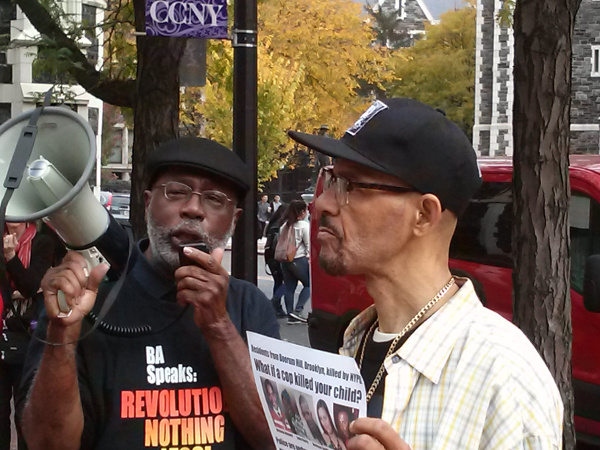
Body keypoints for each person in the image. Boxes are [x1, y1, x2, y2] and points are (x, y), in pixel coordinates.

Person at [288, 98, 563, 449]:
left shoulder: (503, 375)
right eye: (329, 180)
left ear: (423, 215)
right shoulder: (355, 341)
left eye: (350, 186)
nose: (322, 204)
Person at [19, 137, 280, 450]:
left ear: (234, 220)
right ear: (146, 203)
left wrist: (219, 326)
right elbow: (47, 443)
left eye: (214, 199)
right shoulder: (83, 301)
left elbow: (273, 439)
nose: (193, 209)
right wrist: (62, 334)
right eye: (177, 191)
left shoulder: (249, 305)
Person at [0, 221, 57, 450]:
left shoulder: (42, 243)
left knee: (25, 408)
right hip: (3, 329)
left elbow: (29, 286)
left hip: (27, 333)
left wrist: (11, 257)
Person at [279, 200, 310, 324]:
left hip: (284, 260)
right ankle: (298, 311)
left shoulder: (284, 225)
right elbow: (308, 244)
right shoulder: (303, 226)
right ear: (302, 212)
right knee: (308, 285)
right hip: (299, 259)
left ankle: (290, 314)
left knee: (289, 288)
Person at [263, 206, 287, 318]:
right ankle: (274, 301)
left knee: (278, 281)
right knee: (287, 282)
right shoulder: (281, 226)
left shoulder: (272, 225)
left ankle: (276, 307)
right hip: (277, 256)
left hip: (270, 256)